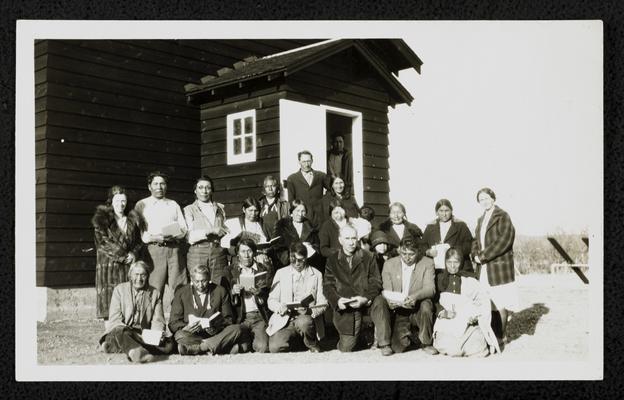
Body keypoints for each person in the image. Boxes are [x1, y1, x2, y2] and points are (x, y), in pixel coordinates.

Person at [323, 225, 393, 356]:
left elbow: (376, 282)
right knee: (346, 347)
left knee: (380, 301)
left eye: (354, 238)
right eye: (347, 238)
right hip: (347, 305)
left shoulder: (369, 256)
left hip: (366, 301)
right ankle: (360, 336)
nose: (351, 242)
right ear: (340, 240)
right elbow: (327, 286)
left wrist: (365, 298)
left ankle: (385, 343)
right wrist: (337, 301)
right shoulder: (332, 259)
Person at [471, 187, 519, 345]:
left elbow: (505, 240)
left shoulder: (502, 216)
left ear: (493, 198)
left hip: (498, 267)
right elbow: (476, 241)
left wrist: (483, 256)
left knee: (500, 302)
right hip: (484, 268)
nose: (484, 202)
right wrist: (474, 254)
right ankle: (489, 336)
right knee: (487, 301)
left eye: (486, 198)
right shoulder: (480, 219)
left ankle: (501, 336)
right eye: (481, 199)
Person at [99, 261, 173, 363]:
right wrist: (134, 335)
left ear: (147, 276)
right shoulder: (119, 290)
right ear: (130, 275)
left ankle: (113, 346)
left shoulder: (155, 293)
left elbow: (158, 320)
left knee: (168, 345)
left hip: (143, 334)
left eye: (143, 275)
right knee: (121, 332)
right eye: (136, 275)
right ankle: (137, 353)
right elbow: (115, 320)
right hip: (124, 330)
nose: (139, 279)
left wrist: (156, 334)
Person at [433, 248, 500, 357]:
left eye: (456, 262)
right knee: (450, 346)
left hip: (466, 321)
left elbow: (482, 301)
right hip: (447, 320)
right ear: (445, 262)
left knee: (478, 347)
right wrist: (442, 312)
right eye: (449, 262)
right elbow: (434, 300)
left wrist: (474, 314)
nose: (452, 266)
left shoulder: (469, 279)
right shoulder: (440, 279)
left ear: (461, 263)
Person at [92, 185, 145, 319]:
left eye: (123, 201)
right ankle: (109, 336)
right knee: (110, 305)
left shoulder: (133, 220)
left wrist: (133, 254)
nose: (120, 204)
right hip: (109, 266)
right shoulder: (102, 220)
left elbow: (139, 242)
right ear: (111, 202)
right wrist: (122, 255)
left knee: (127, 303)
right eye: (117, 201)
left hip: (128, 266)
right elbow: (102, 242)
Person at [168, 265, 242, 355]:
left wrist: (217, 327)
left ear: (209, 278)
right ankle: (218, 346)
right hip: (192, 335)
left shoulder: (220, 291)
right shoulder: (181, 293)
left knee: (236, 329)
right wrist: (186, 327)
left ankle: (199, 348)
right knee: (179, 335)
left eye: (204, 281)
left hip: (215, 334)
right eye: (197, 282)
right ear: (191, 279)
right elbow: (173, 322)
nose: (200, 285)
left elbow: (229, 319)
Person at [267, 242, 328, 353]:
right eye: (293, 260)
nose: (296, 264)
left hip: (306, 319)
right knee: (275, 347)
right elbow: (271, 300)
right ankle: (298, 342)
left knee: (304, 322)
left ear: (306, 257)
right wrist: (280, 307)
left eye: (300, 260)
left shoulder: (317, 274)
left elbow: (323, 302)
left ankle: (311, 342)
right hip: (286, 318)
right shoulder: (281, 273)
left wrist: (309, 310)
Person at [135, 171, 188, 297]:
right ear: (149, 186)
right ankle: (155, 317)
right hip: (154, 250)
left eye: (162, 184)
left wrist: (176, 234)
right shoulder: (142, 205)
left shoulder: (173, 204)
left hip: (173, 249)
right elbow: (140, 233)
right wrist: (157, 237)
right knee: (154, 288)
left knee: (180, 286)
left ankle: (178, 316)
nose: (159, 187)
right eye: (156, 184)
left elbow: (184, 228)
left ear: (166, 186)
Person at [381, 238, 438, 355]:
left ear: (418, 252)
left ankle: (426, 342)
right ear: (399, 251)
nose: (407, 258)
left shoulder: (427, 263)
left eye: (411, 254)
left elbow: (430, 289)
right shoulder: (389, 264)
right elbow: (387, 290)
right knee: (398, 347)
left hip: (418, 307)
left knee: (426, 305)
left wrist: (414, 297)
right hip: (399, 310)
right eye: (404, 253)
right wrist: (391, 301)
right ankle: (412, 334)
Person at [184, 176, 230, 288]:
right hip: (198, 252)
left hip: (218, 252)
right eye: (200, 187)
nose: (204, 191)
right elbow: (189, 237)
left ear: (212, 190)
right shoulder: (189, 209)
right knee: (198, 286)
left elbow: (225, 229)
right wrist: (210, 231)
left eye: (208, 187)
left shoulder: (220, 208)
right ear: (195, 190)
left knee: (218, 286)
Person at [229, 239, 272, 353]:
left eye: (249, 251)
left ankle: (248, 342)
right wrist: (233, 292)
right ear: (238, 253)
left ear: (254, 252)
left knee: (263, 347)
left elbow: (272, 295)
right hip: (241, 317)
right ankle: (246, 341)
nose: (247, 255)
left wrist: (260, 294)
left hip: (259, 316)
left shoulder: (264, 269)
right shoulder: (230, 271)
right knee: (237, 342)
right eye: (243, 251)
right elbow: (222, 297)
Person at [422, 199, 474, 274]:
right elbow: (422, 245)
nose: (444, 214)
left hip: (459, 268)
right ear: (436, 212)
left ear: (451, 211)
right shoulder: (430, 227)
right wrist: (428, 251)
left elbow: (469, 244)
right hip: (438, 270)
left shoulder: (460, 225)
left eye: (447, 210)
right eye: (441, 211)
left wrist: (454, 251)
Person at [286, 150, 331, 227]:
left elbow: (331, 190)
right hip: (303, 216)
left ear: (312, 161)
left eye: (308, 161)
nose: (306, 164)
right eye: (304, 162)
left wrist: (324, 202)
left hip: (319, 216)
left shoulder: (321, 176)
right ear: (299, 162)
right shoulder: (292, 179)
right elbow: (291, 200)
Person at [273, 199, 321, 269]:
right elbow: (277, 246)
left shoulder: (310, 226)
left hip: (307, 263)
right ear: (291, 213)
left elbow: (317, 246)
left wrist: (311, 247)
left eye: (303, 211)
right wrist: (290, 257)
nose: (300, 214)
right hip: (288, 264)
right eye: (297, 211)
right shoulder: (282, 225)